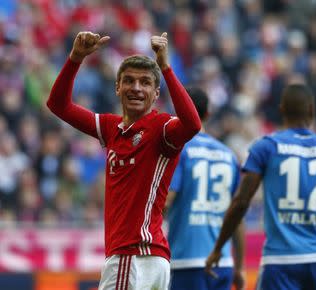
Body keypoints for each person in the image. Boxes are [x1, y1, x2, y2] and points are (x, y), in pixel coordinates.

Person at [47, 31, 201, 290]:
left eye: (145, 82)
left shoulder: (161, 128)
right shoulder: (111, 127)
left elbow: (193, 124)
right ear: (117, 87)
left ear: (156, 92)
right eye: (129, 81)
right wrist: (75, 58)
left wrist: (165, 66)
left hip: (133, 256)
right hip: (146, 258)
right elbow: (58, 105)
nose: (136, 88)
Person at [205, 83, 316, 290]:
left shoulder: (266, 147)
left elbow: (241, 202)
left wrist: (218, 247)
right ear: (312, 111)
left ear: (281, 111)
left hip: (281, 257)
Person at [165, 87, 245, 290]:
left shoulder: (180, 150)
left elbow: (166, 201)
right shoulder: (229, 155)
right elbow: (237, 213)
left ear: (178, 112)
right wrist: (239, 267)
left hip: (186, 260)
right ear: (208, 114)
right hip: (222, 262)